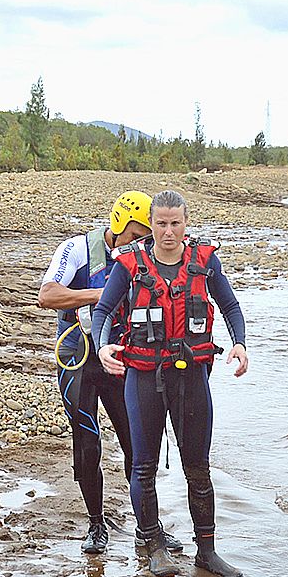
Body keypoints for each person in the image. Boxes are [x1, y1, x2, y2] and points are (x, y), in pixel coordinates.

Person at [91, 190, 249, 577]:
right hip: (144, 375)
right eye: (160, 223)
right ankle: (154, 546)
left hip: (191, 376)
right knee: (143, 467)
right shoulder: (129, 264)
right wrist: (102, 345)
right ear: (152, 224)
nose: (168, 231)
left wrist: (241, 344)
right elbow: (104, 311)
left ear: (185, 223)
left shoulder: (205, 262)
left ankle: (207, 550)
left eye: (175, 223)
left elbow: (229, 307)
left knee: (198, 467)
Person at [38, 190, 181, 555]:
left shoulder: (147, 259)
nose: (139, 244)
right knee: (87, 442)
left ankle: (148, 528)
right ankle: (96, 524)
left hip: (121, 356)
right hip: (79, 355)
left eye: (144, 238)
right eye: (134, 237)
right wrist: (100, 295)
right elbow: (48, 296)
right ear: (118, 226)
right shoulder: (77, 249)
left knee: (138, 444)